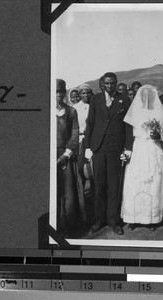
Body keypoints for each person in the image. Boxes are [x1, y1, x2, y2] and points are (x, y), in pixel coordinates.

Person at [84, 72, 133, 235]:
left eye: (113, 83)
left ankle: (114, 221)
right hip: (98, 148)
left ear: (116, 83)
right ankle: (99, 220)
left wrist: (128, 148)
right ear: (102, 84)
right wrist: (88, 147)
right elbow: (90, 123)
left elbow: (128, 126)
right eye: (107, 83)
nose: (110, 86)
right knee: (99, 185)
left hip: (116, 149)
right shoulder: (95, 99)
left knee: (114, 186)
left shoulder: (124, 99)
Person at [121, 85, 163, 231]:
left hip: (153, 148)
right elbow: (127, 132)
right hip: (138, 149)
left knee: (154, 182)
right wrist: (128, 150)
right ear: (139, 97)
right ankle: (134, 217)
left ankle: (153, 217)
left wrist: (160, 136)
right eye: (143, 95)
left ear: (154, 97)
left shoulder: (159, 111)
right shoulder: (134, 112)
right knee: (135, 182)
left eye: (149, 95)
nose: (146, 98)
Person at [56, 79, 80, 234]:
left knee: (68, 191)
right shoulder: (46, 110)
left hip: (65, 155)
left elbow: (75, 133)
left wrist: (67, 154)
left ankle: (69, 226)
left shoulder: (71, 111)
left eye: (61, 92)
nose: (58, 95)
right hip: (49, 156)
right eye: (56, 92)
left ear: (65, 92)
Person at [72, 83, 93, 227]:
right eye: (83, 93)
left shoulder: (94, 106)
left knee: (92, 175)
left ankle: (93, 212)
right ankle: (84, 215)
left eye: (88, 93)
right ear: (80, 94)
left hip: (92, 141)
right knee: (81, 175)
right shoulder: (75, 108)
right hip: (79, 141)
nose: (86, 96)